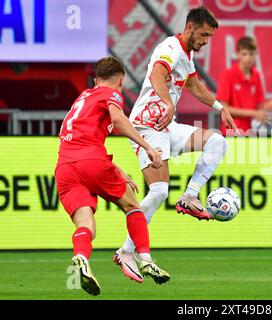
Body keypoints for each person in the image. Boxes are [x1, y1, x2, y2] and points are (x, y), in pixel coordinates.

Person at [113, 6, 238, 280]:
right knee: (158, 192)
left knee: (216, 142)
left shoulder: (186, 54)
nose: (206, 41)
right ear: (190, 28)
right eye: (204, 34)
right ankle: (126, 250)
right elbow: (159, 73)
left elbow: (193, 85)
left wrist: (220, 107)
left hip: (167, 127)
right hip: (147, 126)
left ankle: (190, 196)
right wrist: (169, 102)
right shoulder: (169, 47)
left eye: (210, 37)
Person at [55, 57, 170, 295]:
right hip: (92, 161)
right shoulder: (110, 93)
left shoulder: (82, 97)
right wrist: (148, 147)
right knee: (133, 206)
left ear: (96, 79)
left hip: (65, 167)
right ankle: (145, 259)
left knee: (85, 224)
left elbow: (79, 139)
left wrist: (115, 168)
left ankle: (81, 258)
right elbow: (118, 120)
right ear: (121, 81)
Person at [216, 36, 272, 135]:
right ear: (237, 55)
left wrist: (269, 106)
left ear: (256, 55)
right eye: (244, 54)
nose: (248, 58)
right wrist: (254, 113)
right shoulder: (227, 74)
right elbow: (224, 109)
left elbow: (259, 106)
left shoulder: (257, 75)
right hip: (231, 133)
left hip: (252, 133)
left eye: (251, 54)